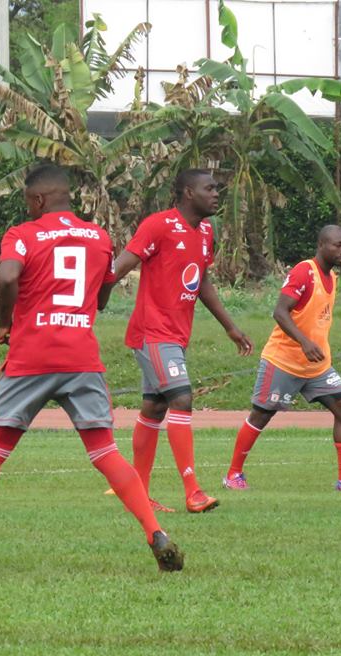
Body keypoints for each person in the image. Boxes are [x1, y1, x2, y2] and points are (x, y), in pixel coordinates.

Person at [0, 164, 184, 573]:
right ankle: (155, 532)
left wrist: (5, 322)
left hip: (32, 357)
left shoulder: (23, 235)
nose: (28, 209)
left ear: (38, 199)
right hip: (81, 357)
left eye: (29, 202)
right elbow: (106, 285)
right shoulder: (98, 237)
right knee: (105, 451)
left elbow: (8, 276)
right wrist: (93, 304)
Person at [111, 169, 253, 513]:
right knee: (182, 398)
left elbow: (201, 280)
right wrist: (88, 301)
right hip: (152, 332)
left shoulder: (205, 231)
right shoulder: (158, 225)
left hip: (175, 334)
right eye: (209, 188)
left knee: (155, 407)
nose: (216, 194)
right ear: (188, 193)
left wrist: (229, 327)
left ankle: (137, 494)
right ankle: (193, 491)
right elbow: (119, 267)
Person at [222, 225, 341, 491]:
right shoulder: (304, 271)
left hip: (317, 365)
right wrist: (304, 342)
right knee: (261, 415)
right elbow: (280, 312)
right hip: (283, 360)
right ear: (321, 245)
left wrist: (313, 346)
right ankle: (233, 475)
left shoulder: (333, 277)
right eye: (337, 245)